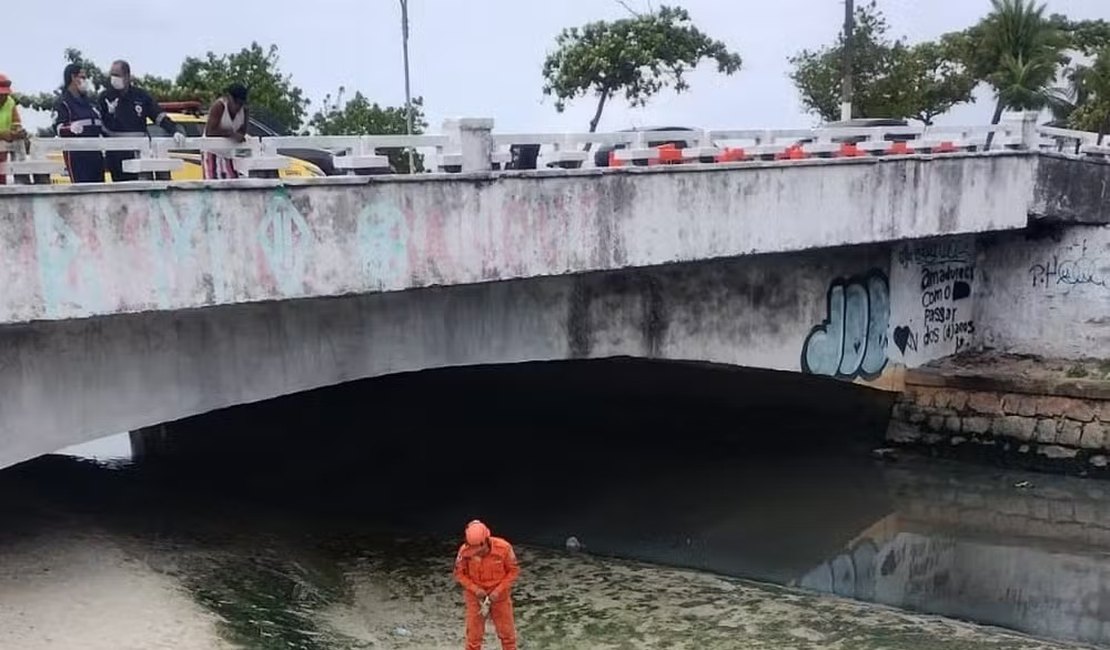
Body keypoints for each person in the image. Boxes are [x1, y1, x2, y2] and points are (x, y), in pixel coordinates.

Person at [98, 60, 187, 182]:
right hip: (116, 155)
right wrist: (110, 113)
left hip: (140, 153)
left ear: (127, 76)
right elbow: (100, 125)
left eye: (117, 75)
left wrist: (174, 130)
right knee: (124, 195)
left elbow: (158, 116)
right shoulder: (105, 97)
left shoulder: (140, 96)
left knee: (143, 192)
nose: (114, 78)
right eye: (112, 75)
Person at [454, 520, 520, 650]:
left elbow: (513, 571)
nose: (475, 553)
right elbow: (459, 574)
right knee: (473, 637)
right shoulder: (464, 552)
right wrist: (475, 589)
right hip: (475, 597)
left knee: (508, 635)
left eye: (478, 549)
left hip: (500, 596)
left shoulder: (504, 548)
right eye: (472, 549)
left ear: (486, 540)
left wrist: (498, 590)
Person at [53, 63, 105, 183]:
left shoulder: (90, 102)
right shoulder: (63, 103)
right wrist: (70, 128)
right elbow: (58, 128)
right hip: (77, 156)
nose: (85, 81)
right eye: (82, 77)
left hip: (96, 153)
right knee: (82, 191)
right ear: (73, 77)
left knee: (99, 192)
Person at [202, 83, 249, 179]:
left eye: (241, 104)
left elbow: (242, 132)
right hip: (212, 150)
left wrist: (239, 137)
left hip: (229, 151)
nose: (237, 107)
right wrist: (231, 134)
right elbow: (209, 132)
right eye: (236, 103)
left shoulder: (244, 111)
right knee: (213, 180)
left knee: (233, 181)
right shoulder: (219, 106)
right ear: (229, 98)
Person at [0, 73, 27, 185]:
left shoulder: (10, 102)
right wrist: (5, 134)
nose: (3, 97)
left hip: (3, 152)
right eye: (1, 94)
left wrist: (18, 131)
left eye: (5, 94)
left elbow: (16, 122)